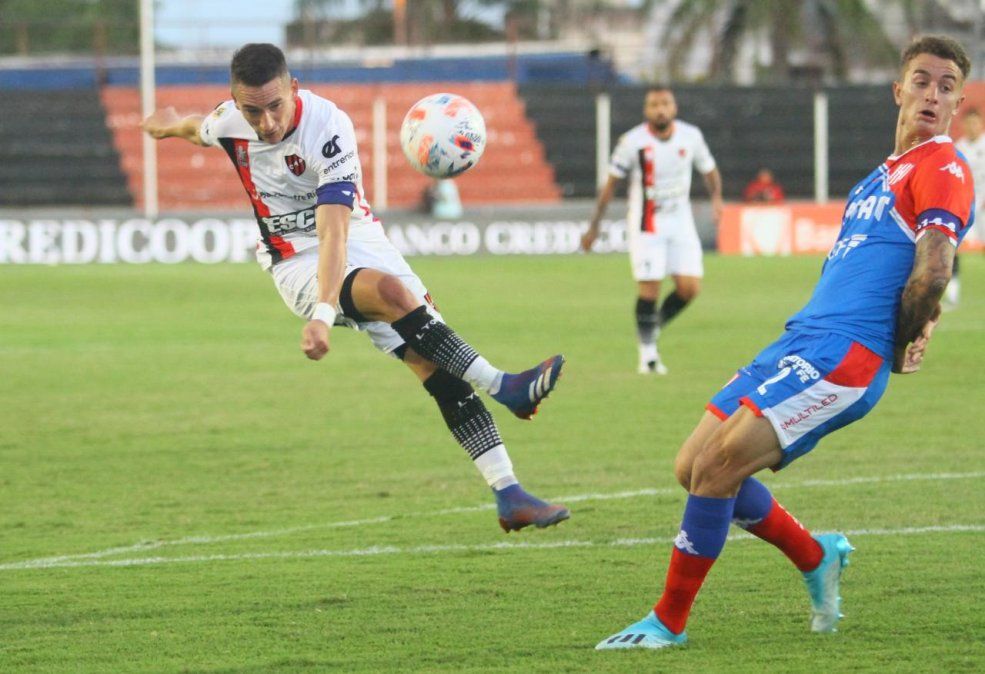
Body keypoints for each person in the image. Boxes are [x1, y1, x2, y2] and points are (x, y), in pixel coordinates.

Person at [595, 35, 975, 650]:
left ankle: (667, 623)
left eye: (947, 87)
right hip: (802, 338)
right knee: (693, 465)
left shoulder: (944, 166)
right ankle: (814, 555)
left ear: (957, 102)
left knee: (717, 468)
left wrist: (903, 340)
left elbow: (933, 272)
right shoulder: (874, 180)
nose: (933, 95)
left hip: (846, 355)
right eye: (922, 81)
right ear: (898, 90)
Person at [141, 43, 569, 533]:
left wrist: (324, 313)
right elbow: (200, 128)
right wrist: (168, 124)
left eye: (275, 106)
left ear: (294, 88)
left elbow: (335, 233)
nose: (267, 123)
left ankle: (509, 494)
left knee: (436, 365)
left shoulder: (329, 127)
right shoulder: (230, 123)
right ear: (236, 103)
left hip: (354, 235)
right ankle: (505, 386)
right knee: (390, 294)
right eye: (252, 111)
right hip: (293, 258)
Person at [581, 85, 723, 375]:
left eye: (665, 103)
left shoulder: (691, 136)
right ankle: (648, 355)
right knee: (650, 287)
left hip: (681, 222)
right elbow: (610, 185)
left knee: (690, 288)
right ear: (646, 111)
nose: (660, 110)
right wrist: (594, 226)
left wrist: (717, 199)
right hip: (648, 225)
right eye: (654, 105)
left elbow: (709, 170)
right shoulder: (632, 142)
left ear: (674, 108)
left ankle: (651, 327)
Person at [948, 107, 985, 308]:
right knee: (954, 247)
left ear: (980, 124)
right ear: (963, 125)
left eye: (975, 123)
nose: (972, 127)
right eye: (968, 123)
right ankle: (952, 294)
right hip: (965, 205)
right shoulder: (958, 149)